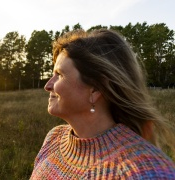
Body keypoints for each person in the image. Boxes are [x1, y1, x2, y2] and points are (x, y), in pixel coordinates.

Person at [30, 29, 175, 179]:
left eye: (59, 75)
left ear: (96, 90)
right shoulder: (53, 139)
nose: (47, 85)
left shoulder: (144, 172)